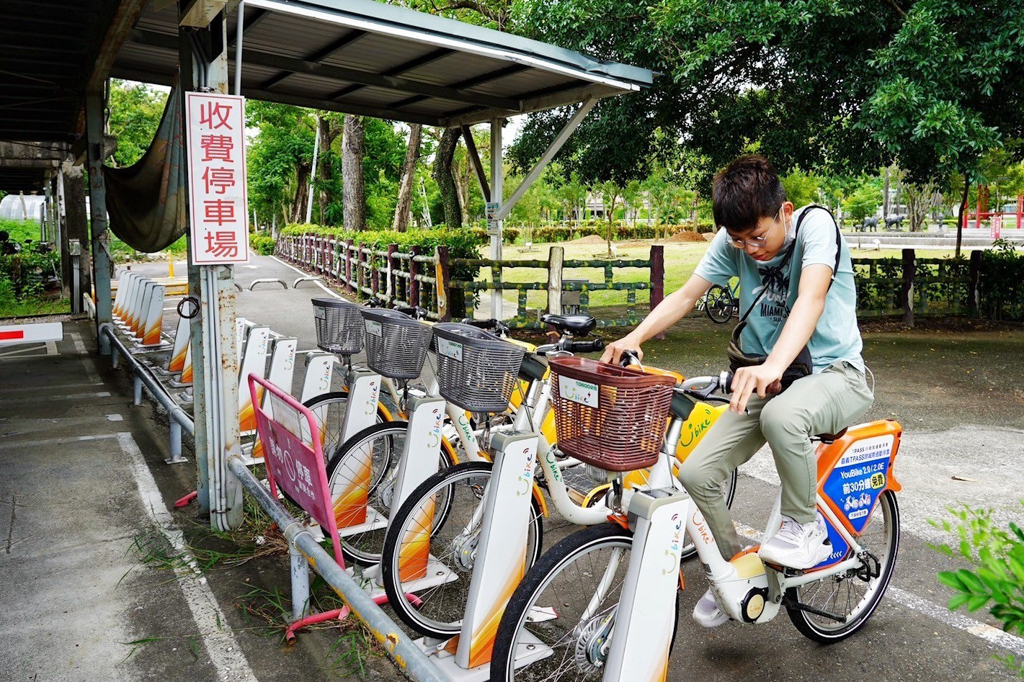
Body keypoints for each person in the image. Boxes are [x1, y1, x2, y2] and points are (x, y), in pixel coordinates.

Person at [601, 155, 873, 625]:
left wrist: (770, 364)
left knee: (781, 416)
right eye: (739, 241)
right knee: (698, 474)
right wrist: (632, 338)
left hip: (837, 375)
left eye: (758, 237)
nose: (750, 250)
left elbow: (810, 298)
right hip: (775, 382)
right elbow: (686, 296)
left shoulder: (815, 226)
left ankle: (805, 528)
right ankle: (739, 574)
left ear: (784, 212)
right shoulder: (736, 243)